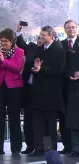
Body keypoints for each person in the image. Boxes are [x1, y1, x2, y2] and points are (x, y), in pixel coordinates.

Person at [29, 26, 66, 156]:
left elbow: (59, 70)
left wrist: (42, 70)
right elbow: (34, 64)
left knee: (50, 124)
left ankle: (50, 149)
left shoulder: (58, 50)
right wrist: (35, 68)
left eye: (44, 35)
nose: (41, 37)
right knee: (39, 123)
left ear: (51, 35)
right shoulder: (39, 49)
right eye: (41, 35)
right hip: (38, 92)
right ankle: (39, 148)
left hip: (51, 93)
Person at [0, 28, 25, 155]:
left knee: (14, 117)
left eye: (5, 41)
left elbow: (17, 67)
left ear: (12, 41)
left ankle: (16, 148)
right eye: (1, 40)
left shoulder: (19, 52)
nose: (3, 43)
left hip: (14, 88)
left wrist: (4, 61)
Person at [15, 24, 44, 154]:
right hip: (27, 90)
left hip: (41, 92)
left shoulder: (49, 52)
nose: (39, 39)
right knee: (27, 120)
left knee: (39, 121)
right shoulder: (31, 48)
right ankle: (29, 145)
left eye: (42, 37)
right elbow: (21, 44)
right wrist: (18, 32)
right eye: (39, 37)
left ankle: (41, 147)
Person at [62, 20, 79, 157]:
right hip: (66, 87)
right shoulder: (61, 45)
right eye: (68, 28)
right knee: (70, 120)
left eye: (73, 27)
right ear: (65, 30)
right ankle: (72, 147)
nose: (71, 29)